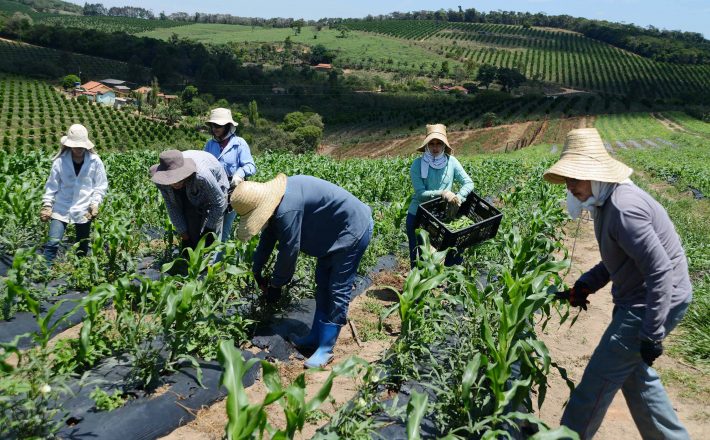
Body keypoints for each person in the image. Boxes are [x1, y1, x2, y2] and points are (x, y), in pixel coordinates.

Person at [543, 128, 692, 439]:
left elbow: (660, 272)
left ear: (596, 174)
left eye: (576, 178)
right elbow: (620, 260)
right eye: (567, 178)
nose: (570, 186)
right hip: (643, 297)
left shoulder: (624, 209)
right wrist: (585, 284)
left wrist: (651, 334)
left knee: (596, 381)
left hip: (652, 300)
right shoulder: (604, 203)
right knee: (636, 379)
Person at [230, 174, 373, 369]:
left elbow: (289, 251)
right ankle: (315, 335)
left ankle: (326, 347)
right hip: (330, 234)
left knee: (337, 288)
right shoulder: (277, 202)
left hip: (353, 229)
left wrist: (276, 285)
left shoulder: (286, 209)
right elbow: (267, 240)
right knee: (322, 284)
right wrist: (256, 270)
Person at [406, 123, 473, 268]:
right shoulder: (417, 165)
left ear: (444, 145)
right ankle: (418, 286)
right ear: (427, 145)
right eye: (432, 143)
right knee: (418, 256)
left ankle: (445, 281)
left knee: (451, 250)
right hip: (418, 215)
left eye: (439, 143)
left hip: (441, 216)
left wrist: (458, 198)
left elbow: (468, 183)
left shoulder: (452, 162)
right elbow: (421, 194)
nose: (435, 147)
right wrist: (443, 193)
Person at [40, 124, 108, 265]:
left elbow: (100, 186)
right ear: (69, 145)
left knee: (82, 246)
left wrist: (95, 204)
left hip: (84, 209)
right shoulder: (60, 161)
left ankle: (80, 272)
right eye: (76, 146)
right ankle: (43, 273)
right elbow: (52, 185)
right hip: (61, 207)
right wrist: (47, 205)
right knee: (52, 242)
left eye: (81, 146)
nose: (79, 149)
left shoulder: (95, 161)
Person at [150, 149, 229, 251]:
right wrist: (185, 236)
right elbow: (172, 207)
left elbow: (218, 203)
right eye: (171, 179)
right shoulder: (162, 182)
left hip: (214, 188)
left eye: (178, 178)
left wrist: (208, 231)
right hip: (190, 190)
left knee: (209, 244)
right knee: (192, 234)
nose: (175, 183)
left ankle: (209, 263)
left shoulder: (202, 176)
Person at [203, 107, 257, 243]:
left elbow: (250, 166)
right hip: (212, 190)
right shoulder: (210, 144)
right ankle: (208, 259)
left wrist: (239, 174)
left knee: (224, 231)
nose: (215, 128)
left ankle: (219, 262)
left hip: (231, 192)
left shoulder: (239, 144)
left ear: (228, 126)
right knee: (209, 229)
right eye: (213, 125)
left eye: (219, 125)